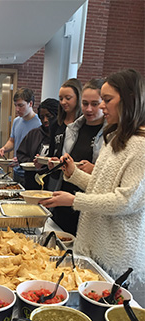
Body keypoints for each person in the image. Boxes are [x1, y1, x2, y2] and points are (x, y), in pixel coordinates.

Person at [40, 69, 145, 307]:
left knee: (104, 317)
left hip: (116, 253)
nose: (102, 107)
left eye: (107, 100)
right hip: (94, 243)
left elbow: (125, 201)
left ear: (129, 99)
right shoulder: (115, 138)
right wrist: (74, 175)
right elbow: (100, 187)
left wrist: (75, 200)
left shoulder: (141, 147)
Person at [47, 79, 105, 235]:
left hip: (89, 205)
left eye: (95, 104)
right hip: (64, 199)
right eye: (85, 104)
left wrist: (95, 169)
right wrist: (60, 165)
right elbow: (68, 166)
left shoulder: (111, 135)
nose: (89, 109)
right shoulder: (72, 129)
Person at [0, 88, 41, 185]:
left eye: (21, 105)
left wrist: (23, 160)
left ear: (31, 104)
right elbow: (12, 141)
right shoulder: (16, 121)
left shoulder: (39, 124)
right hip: (16, 171)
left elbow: (40, 152)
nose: (17, 109)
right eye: (16, 105)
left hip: (31, 173)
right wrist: (4, 148)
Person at [16, 98, 59, 189]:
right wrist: (32, 162)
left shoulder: (61, 135)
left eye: (49, 116)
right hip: (31, 182)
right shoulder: (34, 134)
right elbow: (21, 154)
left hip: (52, 183)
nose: (45, 120)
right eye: (42, 117)